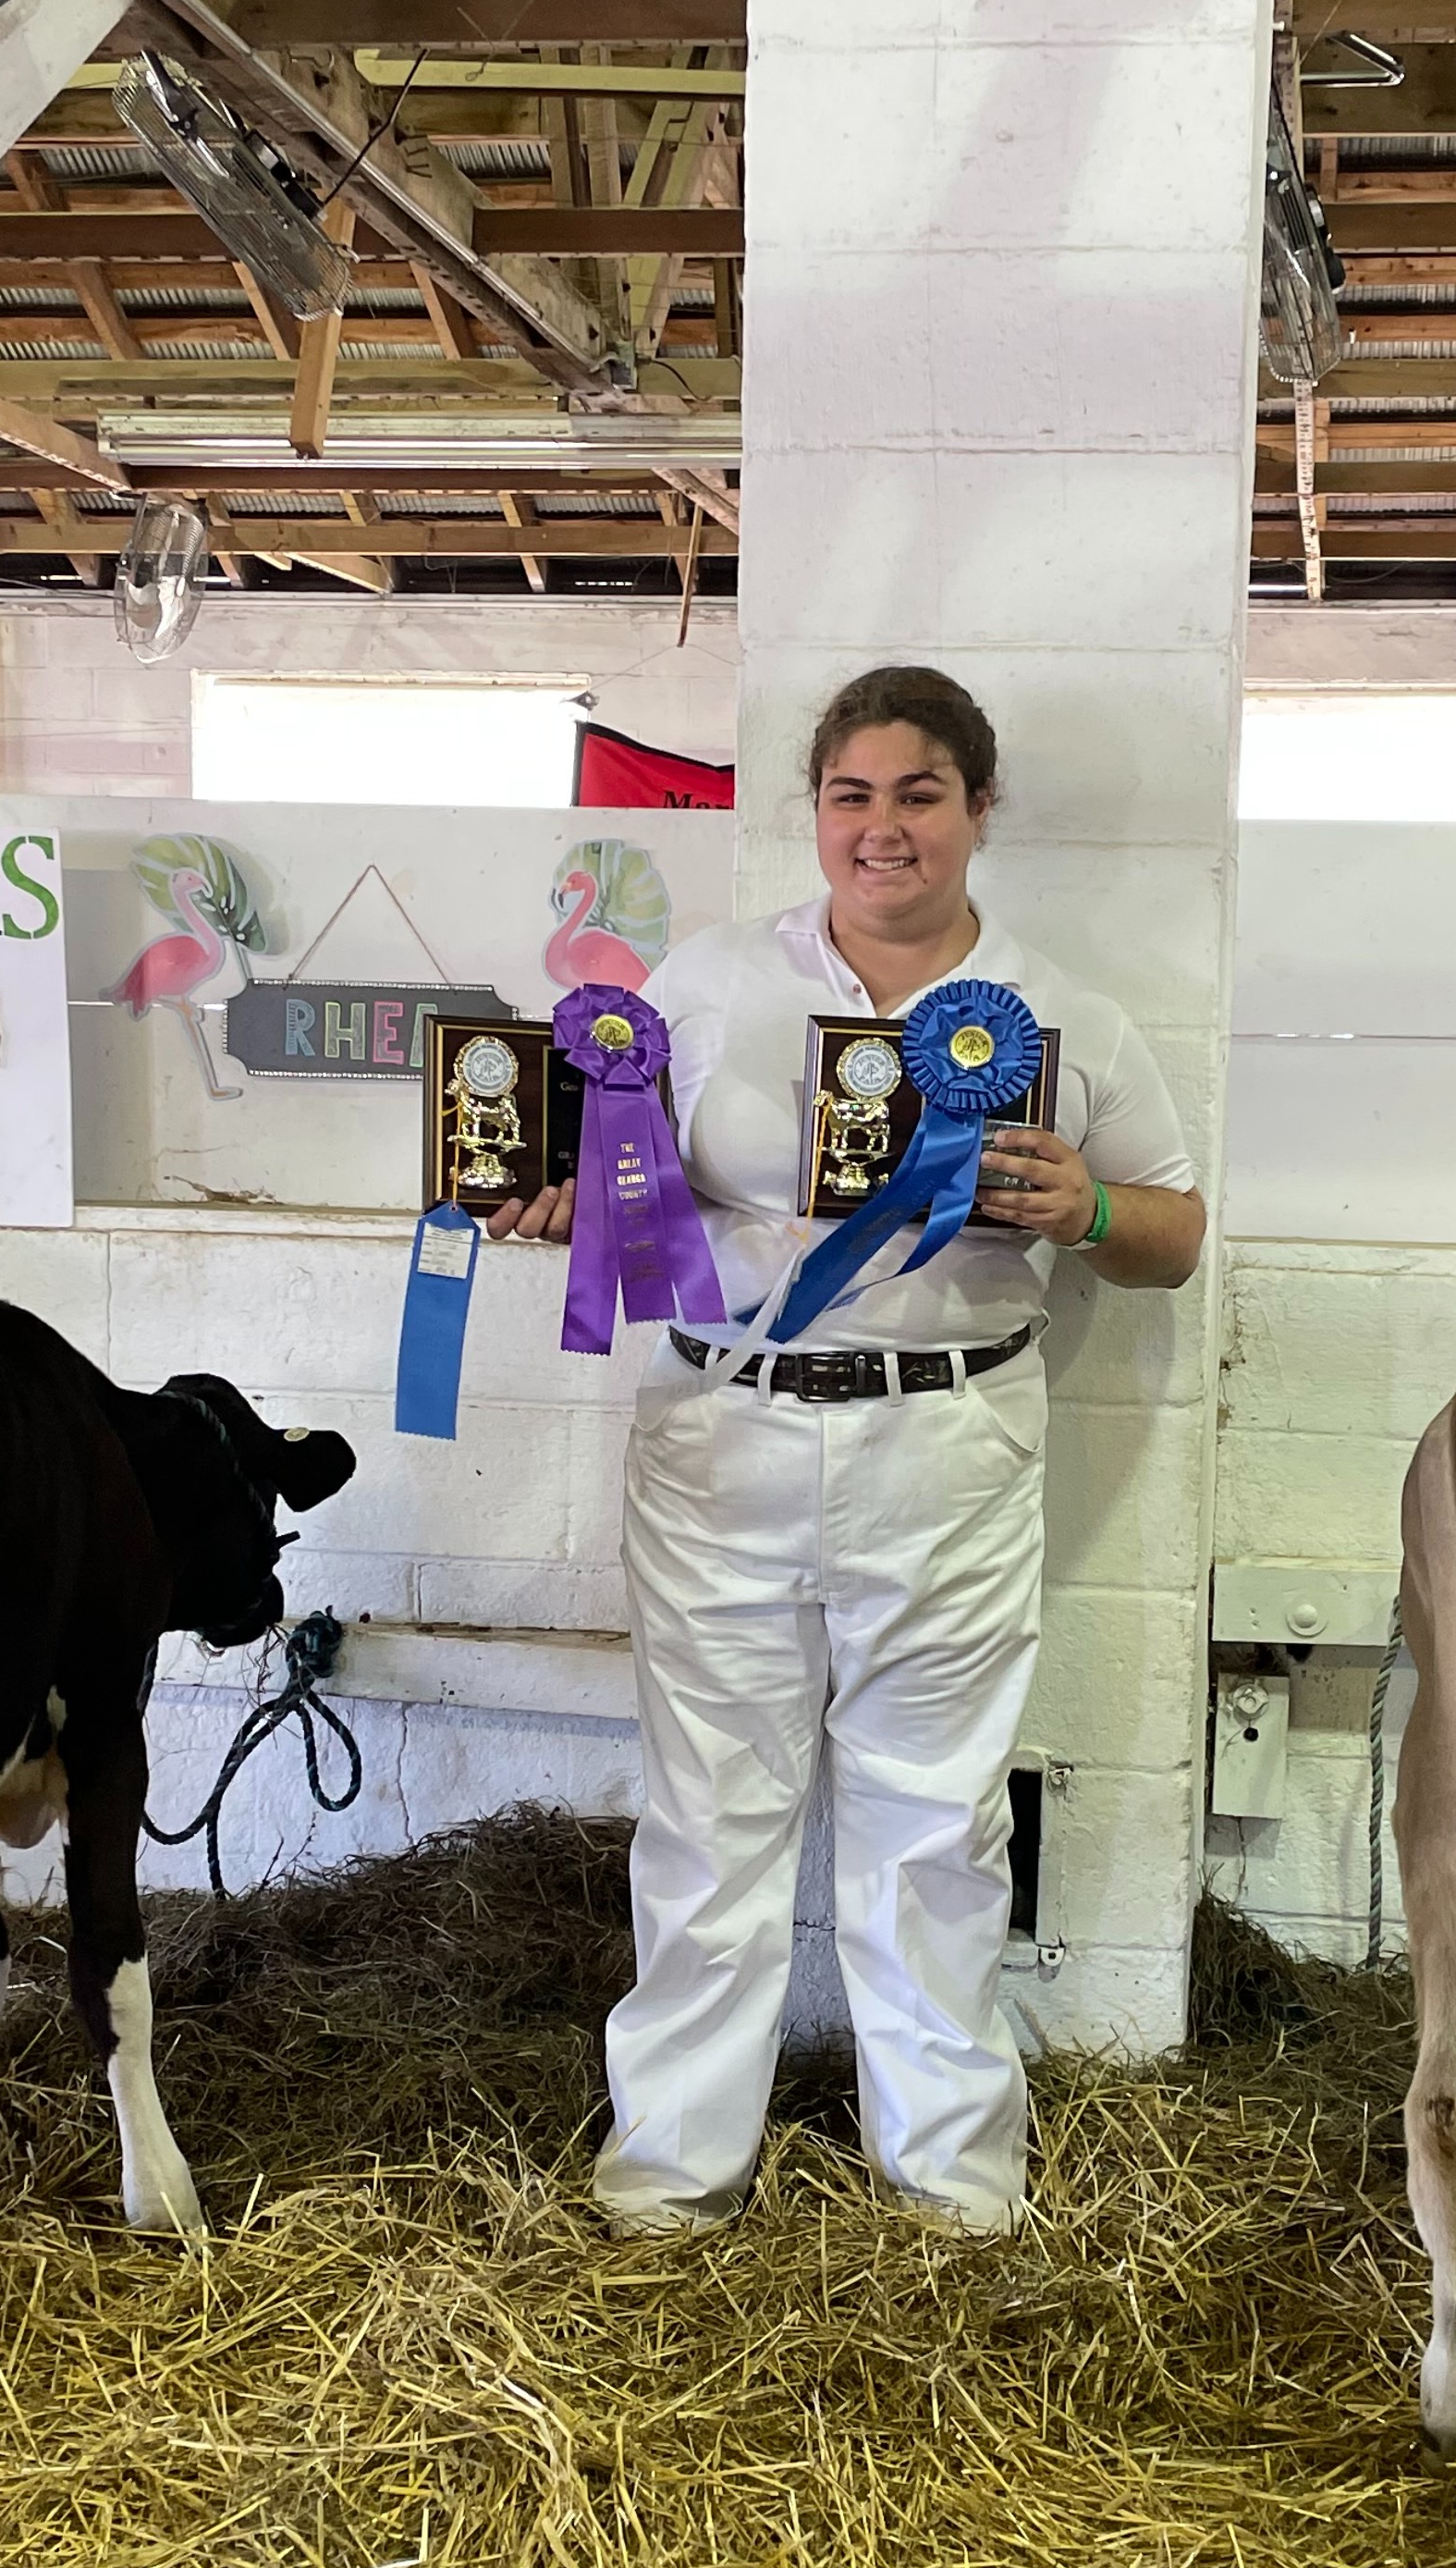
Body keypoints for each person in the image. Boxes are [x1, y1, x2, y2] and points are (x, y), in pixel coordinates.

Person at [489, 666, 1204, 2235]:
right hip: (722, 1440)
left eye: (920, 796)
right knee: (708, 1814)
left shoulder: (1061, 1012)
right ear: (815, 812)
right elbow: (618, 1180)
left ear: (979, 810)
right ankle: (672, 2171)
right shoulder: (702, 985)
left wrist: (1084, 1207)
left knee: (936, 1824)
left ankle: (950, 2178)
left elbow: (1174, 1231)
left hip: (947, 1444)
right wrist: (564, 1199)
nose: (884, 831)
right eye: (852, 797)